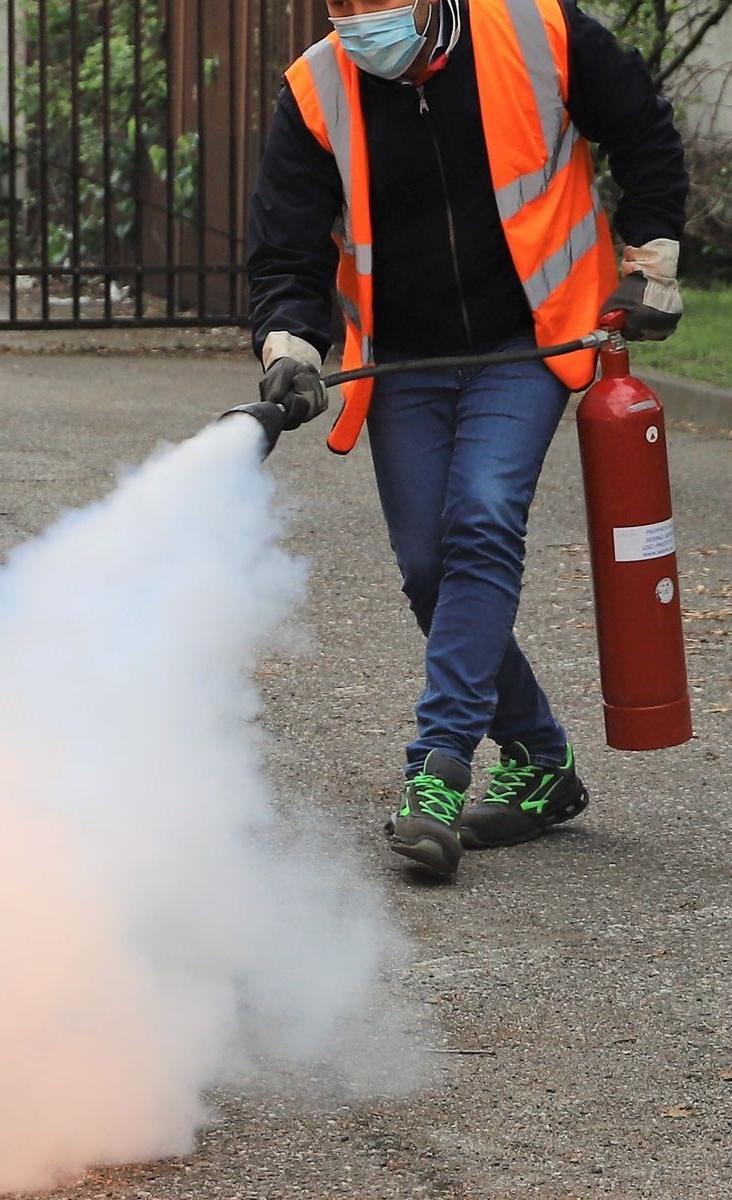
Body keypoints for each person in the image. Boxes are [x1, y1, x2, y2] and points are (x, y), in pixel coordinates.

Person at [246, 0, 687, 880]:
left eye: (376, 6)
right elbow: (286, 246)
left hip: (533, 337)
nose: (359, 24)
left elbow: (642, 128)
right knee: (427, 570)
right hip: (406, 359)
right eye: (344, 8)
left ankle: (436, 771)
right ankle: (540, 760)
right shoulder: (316, 88)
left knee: (482, 519)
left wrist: (654, 260)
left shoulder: (538, 30)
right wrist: (289, 341)